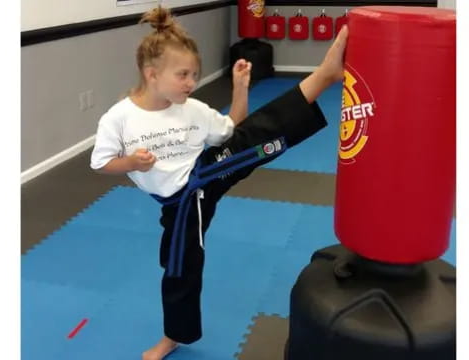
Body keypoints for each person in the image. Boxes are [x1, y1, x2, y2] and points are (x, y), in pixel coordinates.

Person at [90, 6, 348, 360]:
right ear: (152, 74)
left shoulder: (192, 108)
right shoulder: (120, 118)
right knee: (179, 267)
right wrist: (132, 162)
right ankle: (175, 335)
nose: (191, 82)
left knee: (254, 136)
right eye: (183, 74)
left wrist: (241, 87)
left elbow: (232, 129)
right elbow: (101, 162)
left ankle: (324, 75)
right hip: (180, 205)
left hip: (205, 174)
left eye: (194, 74)